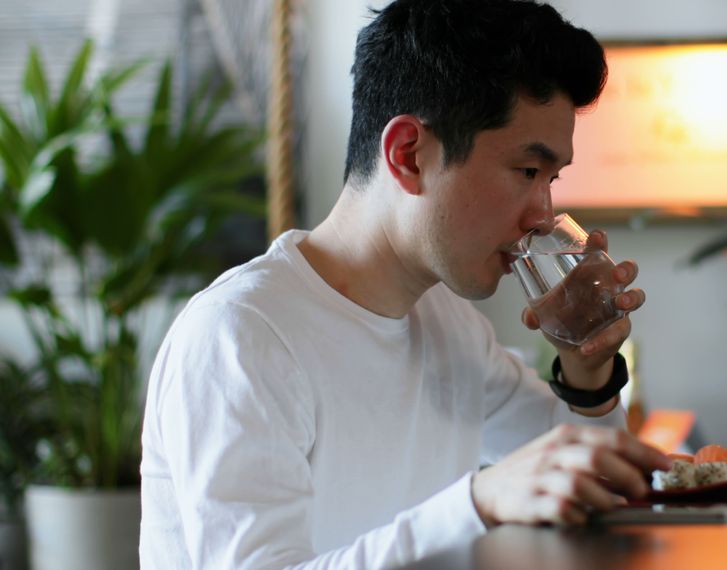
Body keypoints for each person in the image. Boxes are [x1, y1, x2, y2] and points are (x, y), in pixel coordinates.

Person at [139, 0, 671, 567]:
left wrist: (587, 372)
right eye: (527, 172)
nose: (544, 214)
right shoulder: (241, 334)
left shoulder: (451, 326)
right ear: (408, 155)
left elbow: (585, 477)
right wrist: (477, 502)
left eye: (552, 178)